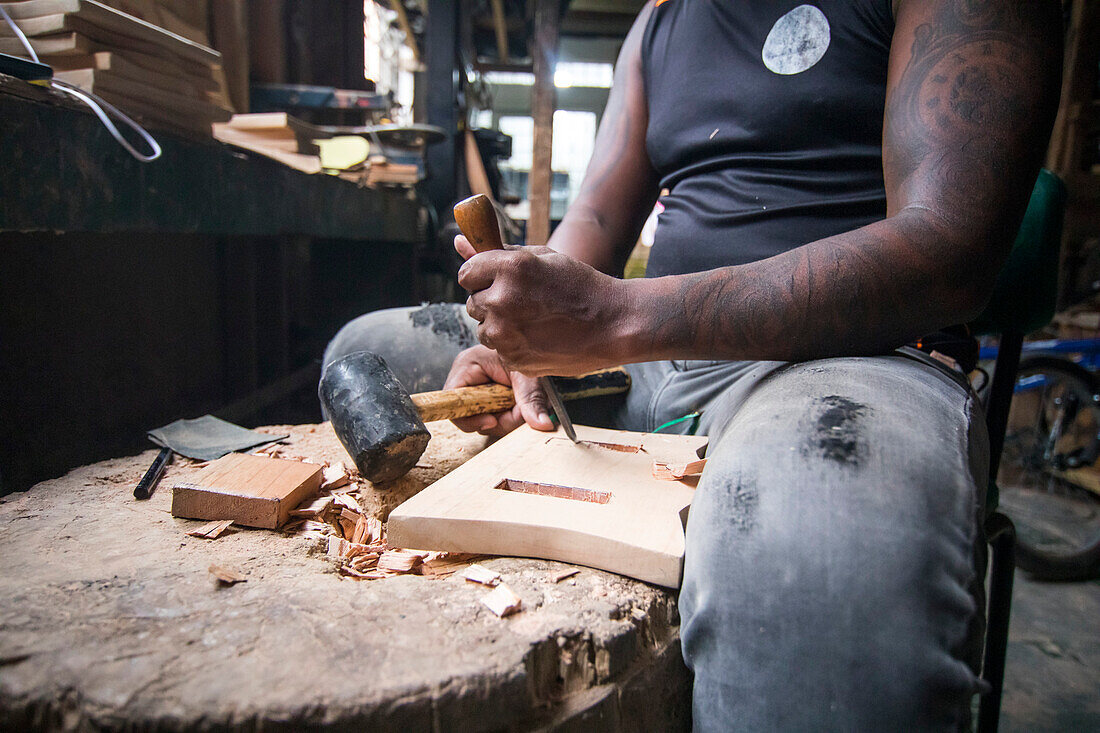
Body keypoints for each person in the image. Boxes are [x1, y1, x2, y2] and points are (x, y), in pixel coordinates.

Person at [325, 0, 1061, 728]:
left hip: (847, 353)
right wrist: (525, 333)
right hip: (648, 350)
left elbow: (948, 248)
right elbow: (600, 220)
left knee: (817, 559)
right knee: (372, 348)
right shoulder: (660, 20)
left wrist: (618, 317)